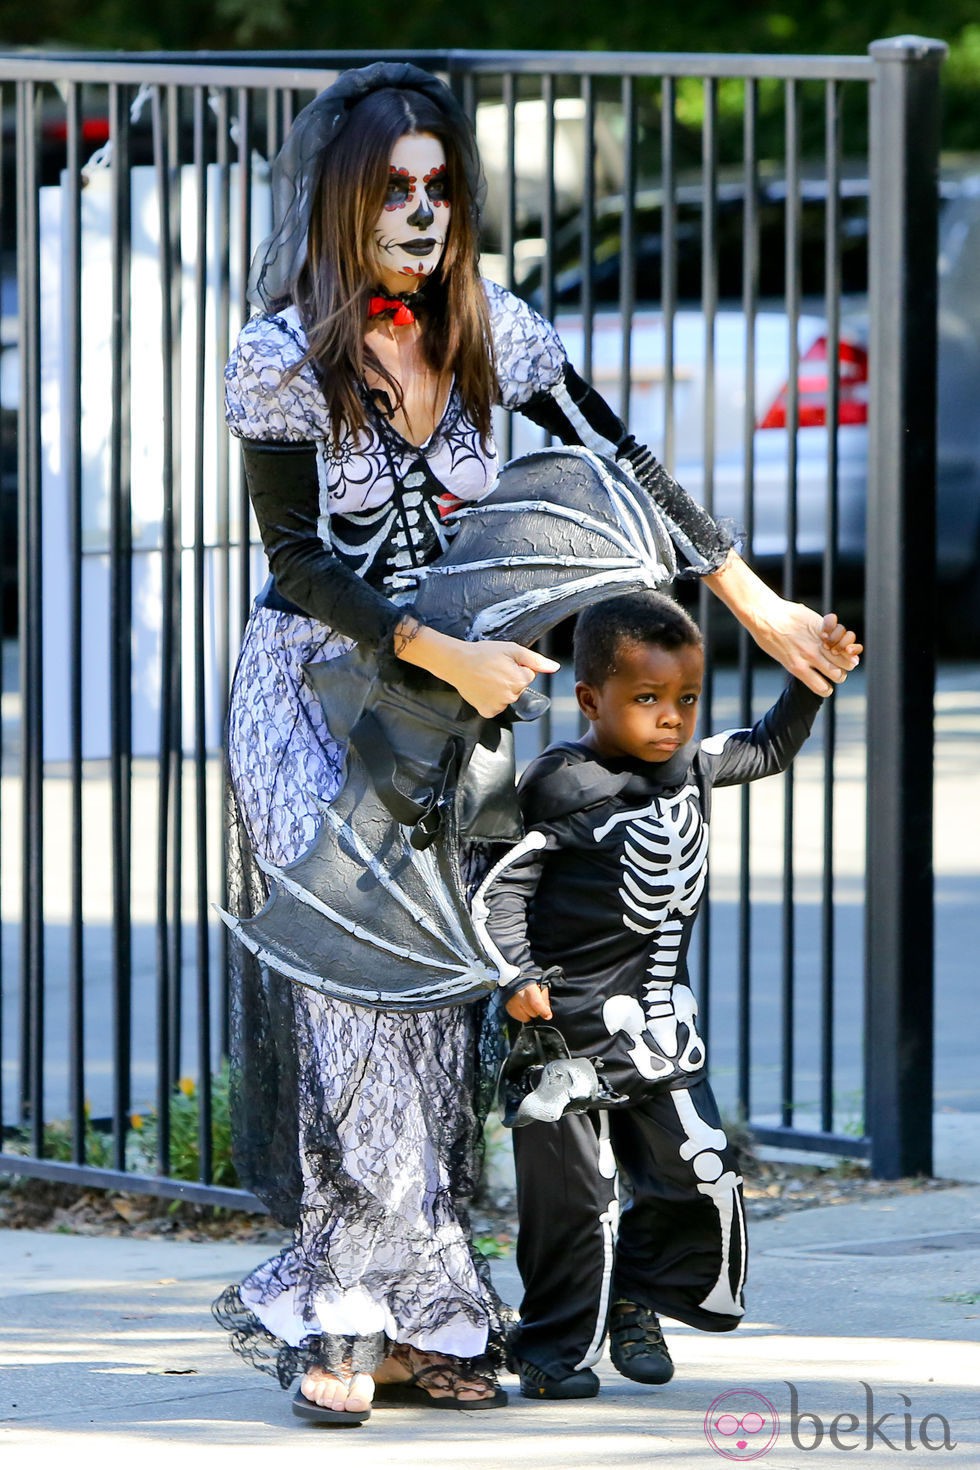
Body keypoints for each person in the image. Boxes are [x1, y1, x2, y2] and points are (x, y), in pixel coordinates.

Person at [211, 60, 861, 1427]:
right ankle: (345, 1307)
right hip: (311, 700)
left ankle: (433, 1307)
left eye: (441, 185)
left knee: (440, 1006)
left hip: (454, 719)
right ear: (342, 195)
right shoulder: (281, 353)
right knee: (355, 995)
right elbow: (294, 565)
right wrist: (438, 647)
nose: (421, 207)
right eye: (394, 186)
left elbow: (630, 471)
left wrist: (757, 603)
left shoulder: (499, 331)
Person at [477, 589, 830, 1400]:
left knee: (701, 1169)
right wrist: (517, 975)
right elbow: (501, 888)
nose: (672, 718)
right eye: (647, 700)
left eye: (686, 699)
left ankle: (638, 1295)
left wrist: (812, 680)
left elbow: (770, 746)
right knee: (575, 1202)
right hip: (564, 1037)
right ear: (590, 700)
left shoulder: (692, 768)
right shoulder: (564, 786)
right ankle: (552, 1349)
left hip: (662, 1033)